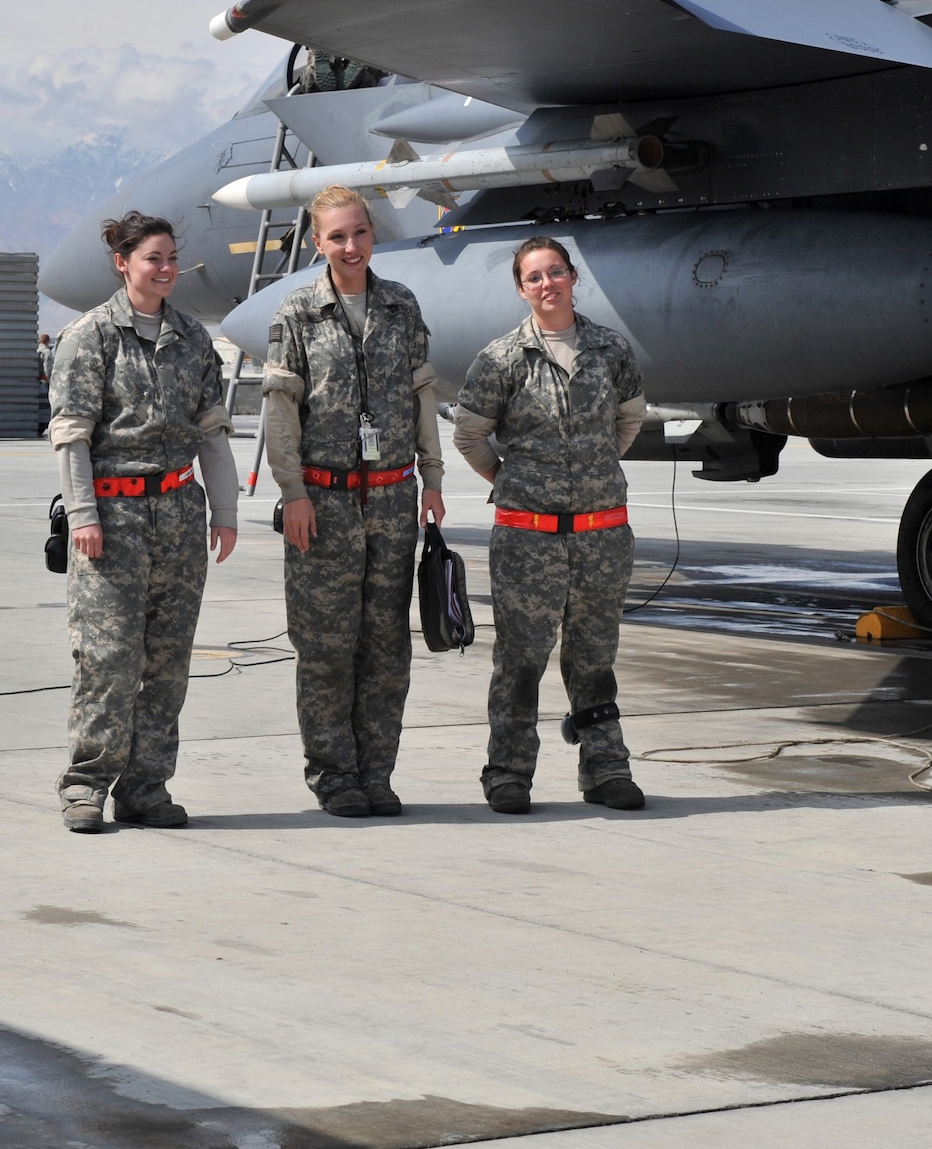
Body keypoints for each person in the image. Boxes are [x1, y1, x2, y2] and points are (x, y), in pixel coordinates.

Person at [47, 212, 240, 833]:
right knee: (108, 657)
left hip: (179, 513)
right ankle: (85, 786)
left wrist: (226, 513)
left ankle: (146, 786)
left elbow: (212, 433)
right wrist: (83, 515)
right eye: (152, 258)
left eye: (170, 258)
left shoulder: (192, 338)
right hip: (112, 513)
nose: (164, 269)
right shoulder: (91, 337)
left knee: (167, 658)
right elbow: (72, 437)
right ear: (122, 262)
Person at [261, 186, 445, 817]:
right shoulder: (298, 313)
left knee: (387, 644)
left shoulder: (401, 305)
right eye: (336, 236)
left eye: (359, 233)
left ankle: (378, 771)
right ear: (318, 243)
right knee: (325, 645)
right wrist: (293, 495)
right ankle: (335, 775)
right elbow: (281, 410)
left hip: (393, 498)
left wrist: (434, 480)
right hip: (326, 499)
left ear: (373, 235)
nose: (350, 246)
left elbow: (423, 397)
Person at [452, 237, 649, 815]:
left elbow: (628, 421)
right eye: (534, 277)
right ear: (522, 288)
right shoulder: (501, 359)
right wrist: (512, 480)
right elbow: (469, 434)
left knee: (595, 655)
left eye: (555, 272)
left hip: (601, 533)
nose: (547, 285)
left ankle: (606, 768)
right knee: (520, 658)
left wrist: (592, 470)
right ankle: (509, 773)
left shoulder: (611, 350)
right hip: (527, 536)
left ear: (572, 277)